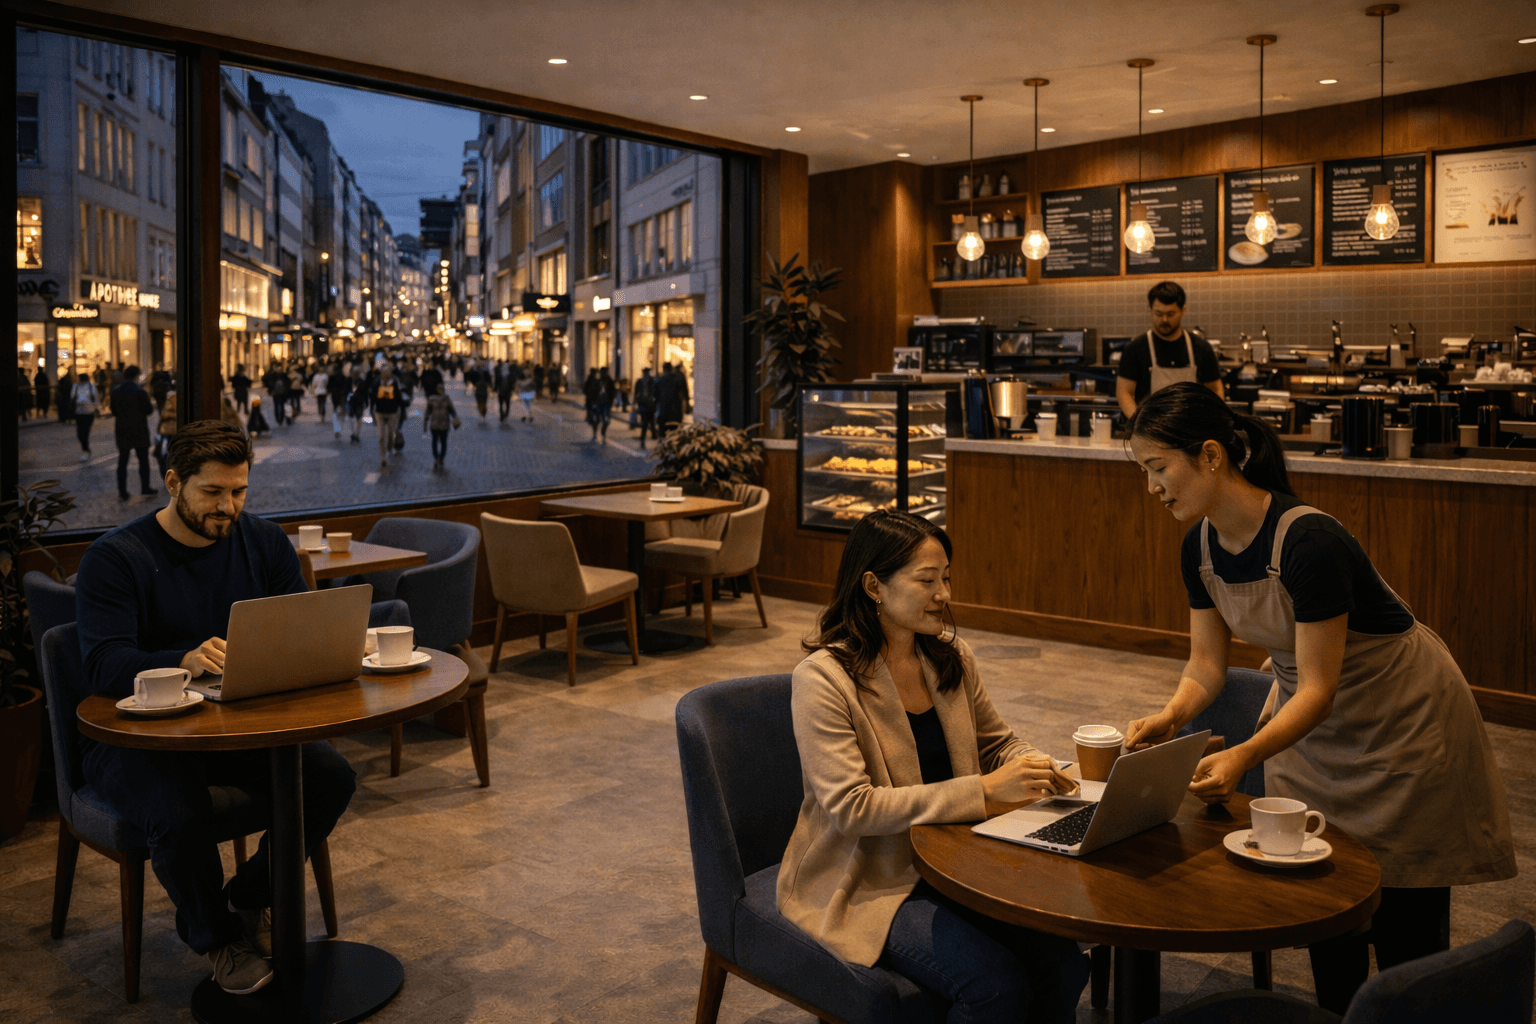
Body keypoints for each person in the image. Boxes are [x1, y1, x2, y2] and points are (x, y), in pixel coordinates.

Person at [1121, 381, 1516, 1014]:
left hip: (1403, 721)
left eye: (1158, 467)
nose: (1152, 487)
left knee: (1404, 922)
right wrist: (1170, 715)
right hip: (1311, 720)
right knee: (1324, 900)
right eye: (1144, 471)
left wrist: (1242, 756)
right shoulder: (1197, 547)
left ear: (1213, 456)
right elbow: (1205, 666)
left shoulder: (1308, 541)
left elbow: (1320, 688)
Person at [74, 420, 357, 996]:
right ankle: (216, 937)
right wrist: (182, 658)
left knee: (331, 776)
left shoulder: (263, 541)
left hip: (231, 727)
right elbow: (101, 664)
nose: (229, 507)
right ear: (174, 483)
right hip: (132, 737)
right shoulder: (118, 556)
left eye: (240, 491)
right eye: (213, 493)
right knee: (179, 812)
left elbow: (296, 628)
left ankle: (251, 898)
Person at [779, 509, 1089, 1022]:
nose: (944, 594)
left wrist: (1031, 765)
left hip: (958, 860)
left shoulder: (949, 655)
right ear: (873, 585)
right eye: (927, 580)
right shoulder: (823, 679)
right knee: (996, 986)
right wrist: (986, 791)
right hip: (869, 877)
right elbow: (851, 808)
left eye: (945, 578)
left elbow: (996, 743)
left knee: (1064, 965)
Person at [1115, 280, 1224, 419]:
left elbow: (1215, 389)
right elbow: (1124, 393)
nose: (1164, 320)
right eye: (1158, 314)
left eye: (1171, 314)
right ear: (1150, 310)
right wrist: (1138, 423)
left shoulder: (1201, 348)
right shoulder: (1135, 349)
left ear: (1183, 310)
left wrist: (1212, 419)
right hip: (1148, 432)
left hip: (1190, 429)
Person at [111, 365, 157, 501]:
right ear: (136, 376)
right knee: (143, 460)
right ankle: (145, 487)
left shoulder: (116, 391)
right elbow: (148, 410)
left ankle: (122, 491)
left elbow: (113, 411)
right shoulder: (140, 392)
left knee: (122, 460)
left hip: (122, 429)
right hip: (139, 428)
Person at [422, 384, 461, 470]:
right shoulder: (446, 399)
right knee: (443, 442)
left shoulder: (432, 399)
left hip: (435, 425)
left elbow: (427, 413)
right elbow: (452, 411)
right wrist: (455, 418)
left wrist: (425, 423)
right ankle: (441, 458)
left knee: (435, 442)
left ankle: (436, 458)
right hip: (444, 425)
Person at [373, 372, 403, 469]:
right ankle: (383, 457)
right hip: (380, 412)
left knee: (391, 434)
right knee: (381, 436)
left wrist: (399, 411)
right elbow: (372, 397)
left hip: (392, 412)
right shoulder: (377, 383)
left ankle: (390, 446)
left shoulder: (394, 384)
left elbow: (399, 399)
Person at [654, 361, 688, 436]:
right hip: (676, 414)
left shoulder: (658, 381)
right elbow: (685, 394)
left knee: (663, 436)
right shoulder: (678, 379)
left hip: (663, 413)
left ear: (664, 369)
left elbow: (655, 398)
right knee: (674, 436)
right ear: (671, 369)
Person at [71, 372, 99, 461]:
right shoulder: (76, 387)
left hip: (88, 412)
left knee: (85, 432)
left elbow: (95, 399)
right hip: (79, 412)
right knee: (80, 434)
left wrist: (95, 408)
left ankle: (85, 451)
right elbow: (72, 397)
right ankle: (86, 449)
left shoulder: (91, 387)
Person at [633, 367, 657, 449]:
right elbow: (636, 393)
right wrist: (635, 403)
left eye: (647, 373)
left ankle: (653, 436)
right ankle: (643, 440)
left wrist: (653, 399)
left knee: (651, 421)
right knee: (645, 422)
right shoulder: (639, 382)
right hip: (642, 404)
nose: (646, 375)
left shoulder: (651, 381)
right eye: (645, 373)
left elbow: (654, 391)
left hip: (650, 405)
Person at [582, 368, 603, 441]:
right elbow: (600, 390)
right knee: (594, 418)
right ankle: (595, 431)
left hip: (592, 402)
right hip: (594, 402)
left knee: (592, 418)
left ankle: (595, 432)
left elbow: (584, 390)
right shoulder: (593, 381)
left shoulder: (591, 381)